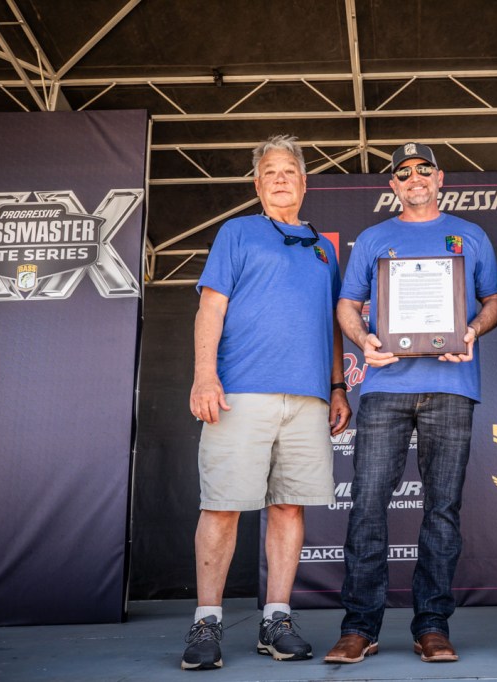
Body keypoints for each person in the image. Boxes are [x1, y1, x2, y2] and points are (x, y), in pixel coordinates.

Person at [323, 142, 497, 665]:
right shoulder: (374, 239)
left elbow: (493, 301)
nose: (415, 177)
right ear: (393, 185)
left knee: (442, 509)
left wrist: (471, 331)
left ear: (440, 177)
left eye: (424, 169)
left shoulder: (470, 235)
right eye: (404, 172)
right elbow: (347, 304)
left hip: (452, 386)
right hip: (385, 389)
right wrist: (364, 340)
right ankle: (360, 627)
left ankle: (432, 626)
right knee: (367, 506)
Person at [181, 134, 352, 670]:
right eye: (270, 172)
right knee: (222, 506)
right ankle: (206, 622)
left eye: (289, 171)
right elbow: (211, 308)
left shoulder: (323, 248)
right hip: (240, 393)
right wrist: (204, 377)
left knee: (289, 506)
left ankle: (276, 619)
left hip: (308, 399)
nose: (280, 179)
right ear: (258, 184)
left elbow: (331, 324)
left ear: (304, 182)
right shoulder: (237, 232)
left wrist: (338, 386)